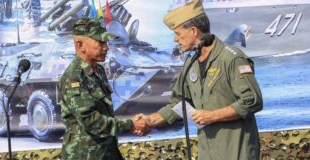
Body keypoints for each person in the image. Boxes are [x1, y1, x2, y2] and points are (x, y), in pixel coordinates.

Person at [132, 0, 263, 159]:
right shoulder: (191, 63)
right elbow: (180, 104)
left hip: (236, 151)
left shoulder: (231, 58)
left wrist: (212, 116)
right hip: (207, 152)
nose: (175, 39)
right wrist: (150, 120)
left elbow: (252, 101)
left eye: (178, 33)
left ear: (194, 31)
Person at [59, 18, 149, 160]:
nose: (106, 47)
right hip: (84, 154)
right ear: (80, 44)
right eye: (100, 42)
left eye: (106, 42)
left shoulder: (99, 70)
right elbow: (91, 121)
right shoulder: (74, 78)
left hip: (106, 150)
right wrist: (130, 125)